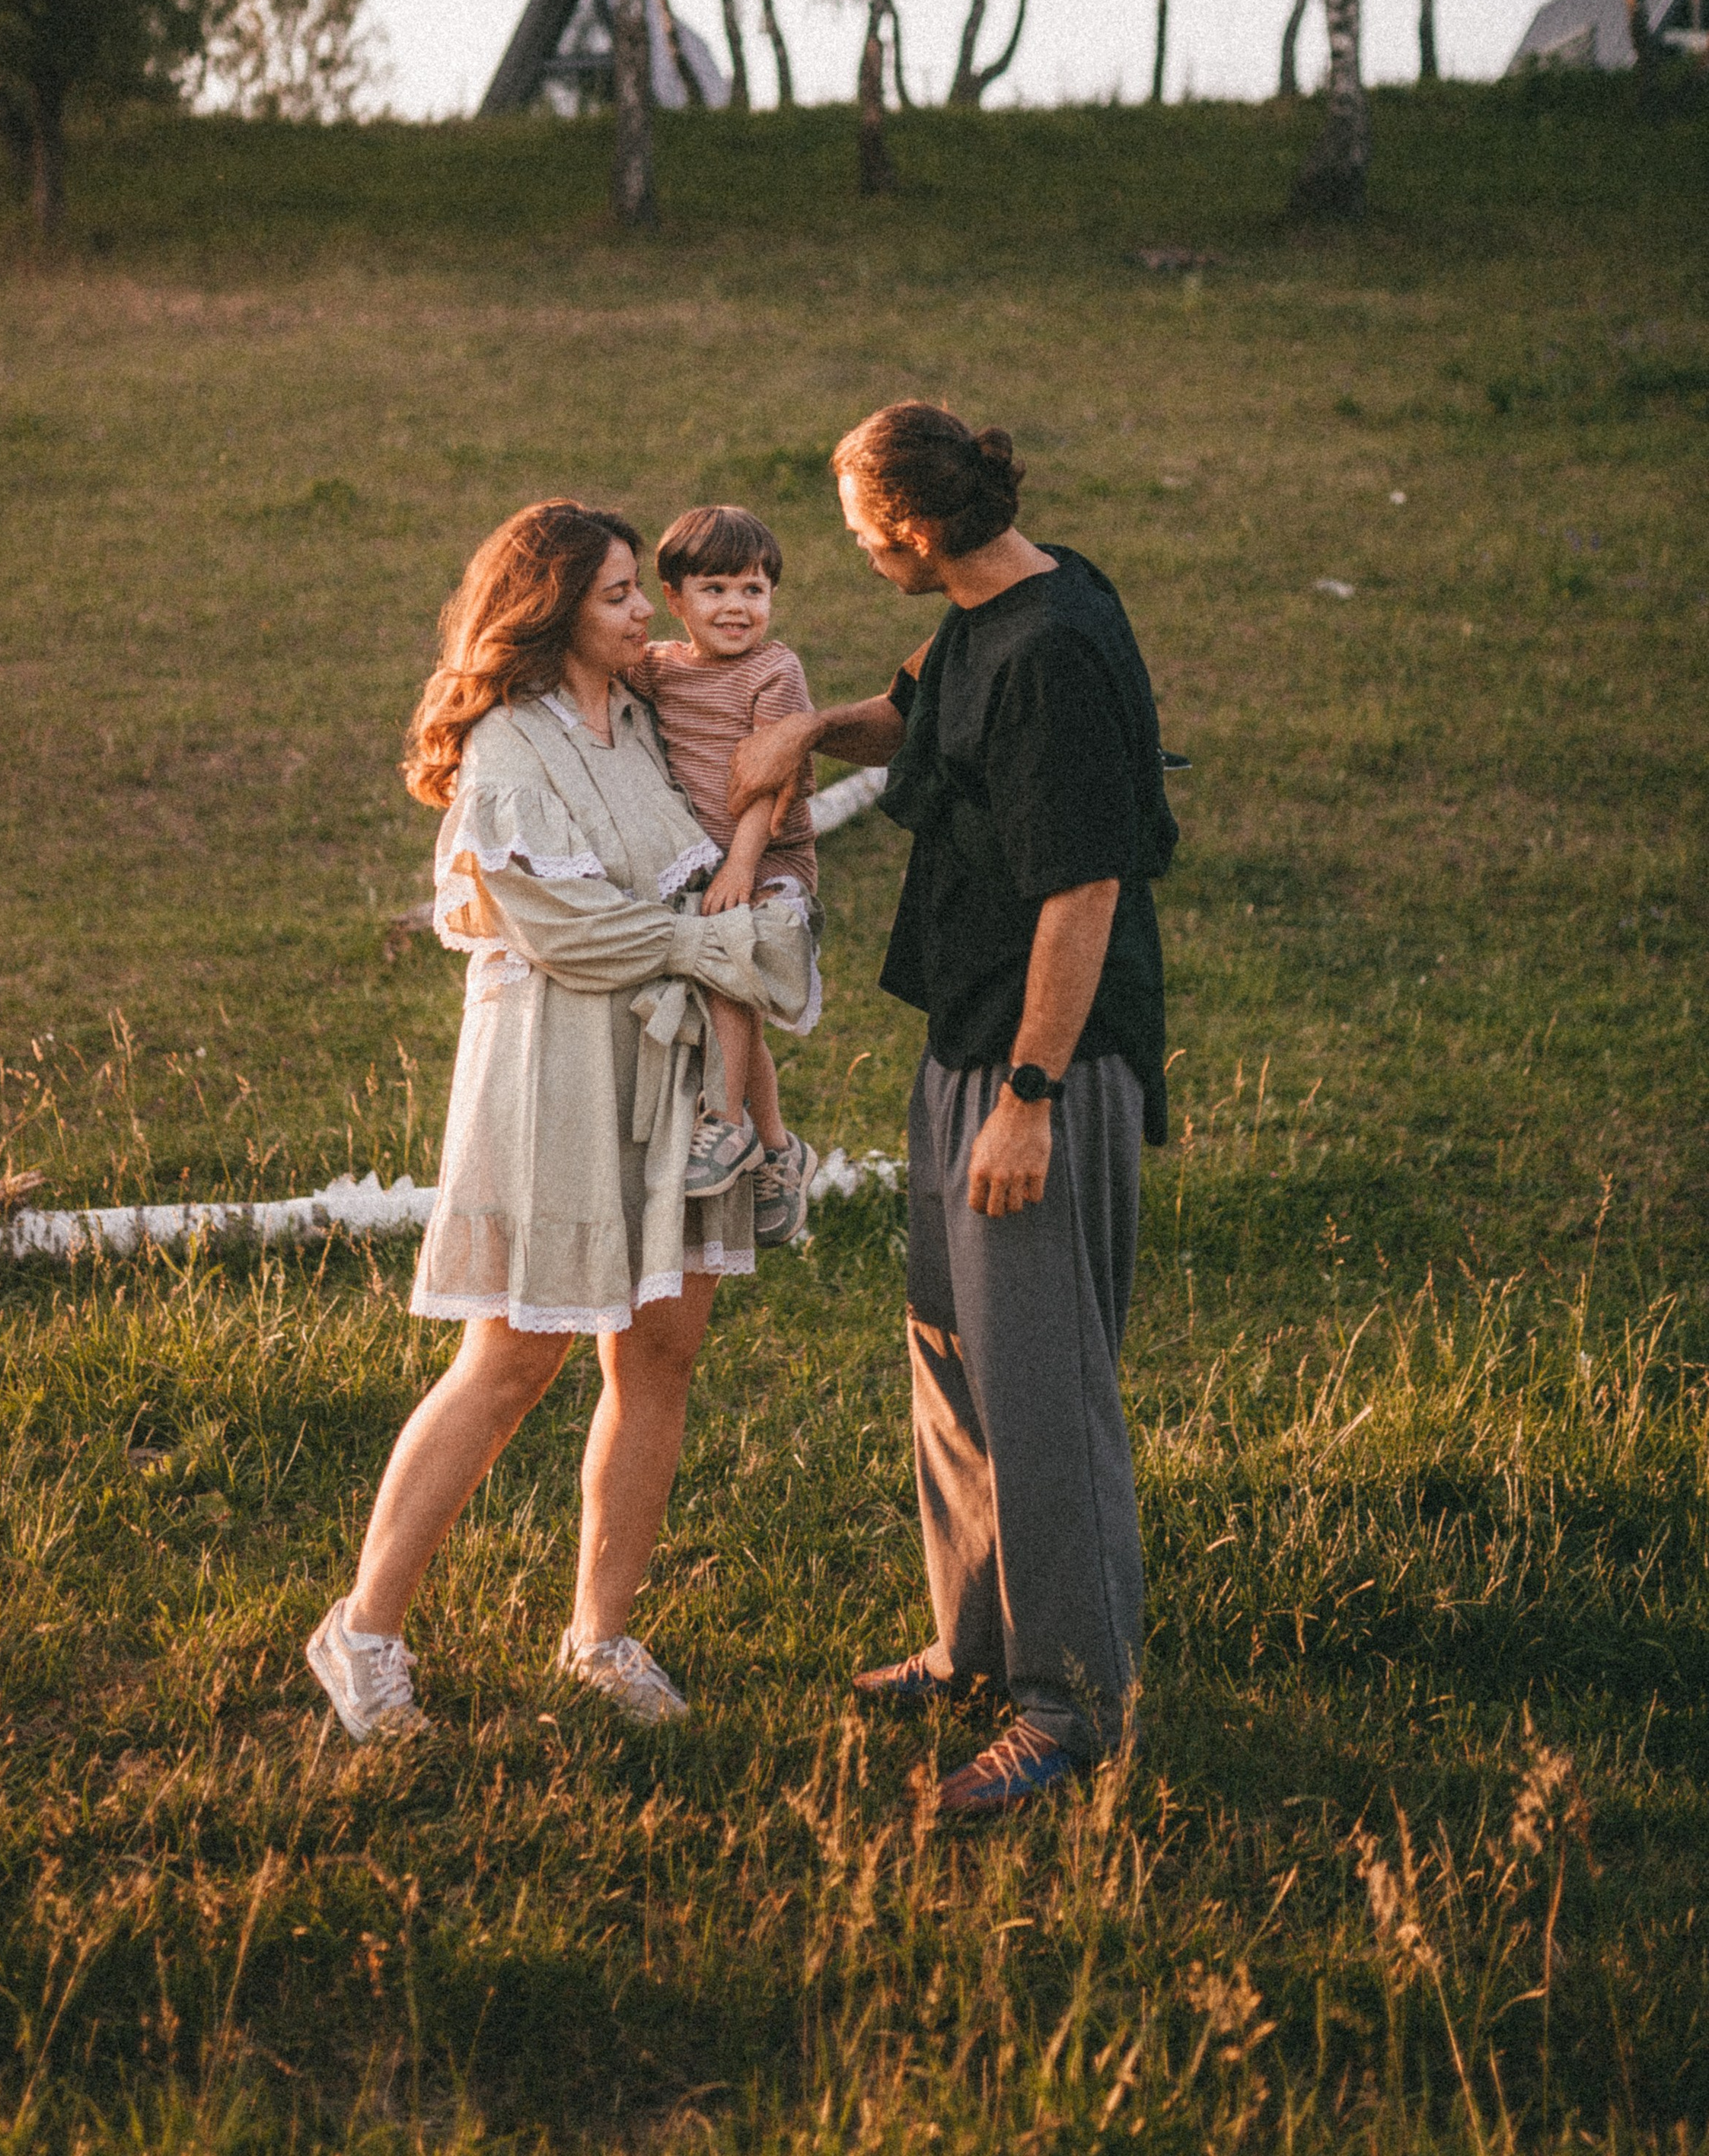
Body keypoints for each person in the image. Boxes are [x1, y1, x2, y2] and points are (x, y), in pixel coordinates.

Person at [728, 403, 1177, 1822]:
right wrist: (806, 727)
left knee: (1042, 1381)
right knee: (951, 1344)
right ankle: (975, 1640)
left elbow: (1084, 890)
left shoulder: (1055, 653)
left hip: (1044, 1061)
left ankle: (1072, 1705)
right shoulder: (1001, 598)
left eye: (858, 532)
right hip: (968, 1039)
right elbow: (919, 708)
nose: (853, 552)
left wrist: (1030, 1101)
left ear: (912, 533)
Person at [306, 500, 815, 1741]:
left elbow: (748, 809)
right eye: (621, 596)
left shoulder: (649, 714)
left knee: (660, 1355)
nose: (649, 613)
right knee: (513, 1357)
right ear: (551, 613)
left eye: (644, 591)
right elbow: (568, 930)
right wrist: (721, 943)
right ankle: (365, 1628)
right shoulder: (510, 747)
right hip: (556, 1076)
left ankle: (601, 1632)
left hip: (678, 1071)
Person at [626, 503, 821, 1245]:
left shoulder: (775, 670)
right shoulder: (660, 669)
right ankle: (779, 1152)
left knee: (730, 966)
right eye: (714, 590)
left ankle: (728, 1124)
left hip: (767, 857)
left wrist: (742, 864)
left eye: (753, 590)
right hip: (705, 862)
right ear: (672, 599)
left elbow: (772, 781)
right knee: (730, 1009)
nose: (737, 607)